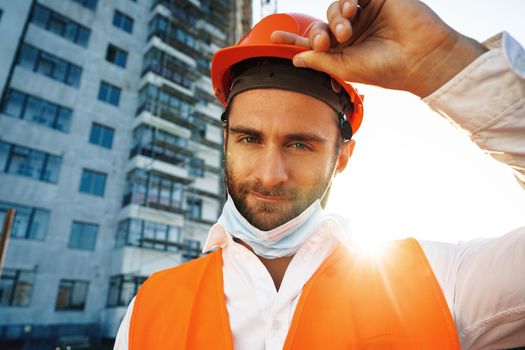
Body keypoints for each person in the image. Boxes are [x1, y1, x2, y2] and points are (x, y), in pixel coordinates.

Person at [114, 0, 525, 349]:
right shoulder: (149, 309)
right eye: (249, 139)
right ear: (225, 140)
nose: (270, 175)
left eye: (300, 145)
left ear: (342, 155)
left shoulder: (444, 283)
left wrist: (443, 61)